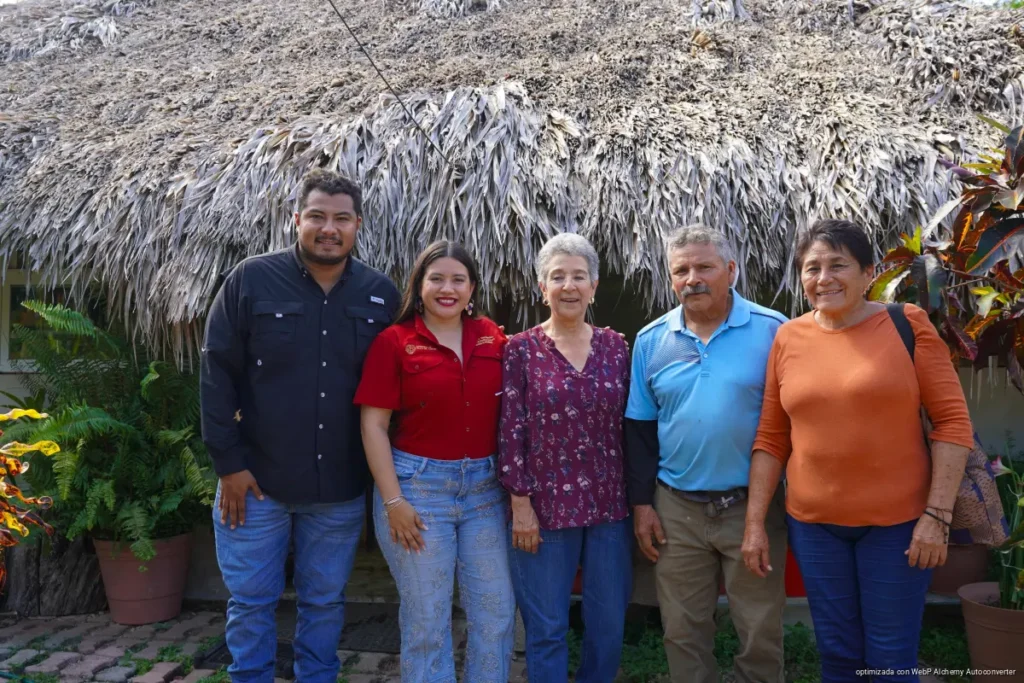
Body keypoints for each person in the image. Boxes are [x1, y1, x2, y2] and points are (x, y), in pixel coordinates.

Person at [743, 218, 974, 683]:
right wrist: (754, 525)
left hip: (898, 527)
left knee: (890, 657)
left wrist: (937, 517)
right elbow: (772, 437)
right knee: (838, 654)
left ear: (869, 273)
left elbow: (952, 423)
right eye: (811, 268)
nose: (823, 278)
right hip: (814, 528)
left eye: (837, 265)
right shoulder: (789, 338)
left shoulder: (905, 324)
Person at [200, 168, 400, 683]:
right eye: (316, 216)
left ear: (357, 224)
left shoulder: (381, 295)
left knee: (325, 602)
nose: (327, 228)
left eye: (340, 218)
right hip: (254, 485)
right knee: (250, 604)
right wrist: (228, 466)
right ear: (296, 220)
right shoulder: (250, 279)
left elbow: (404, 380)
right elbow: (216, 373)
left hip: (338, 488)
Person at [625, 224, 788, 683]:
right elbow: (639, 429)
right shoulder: (652, 340)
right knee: (682, 629)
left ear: (731, 270)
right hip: (676, 507)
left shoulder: (773, 330)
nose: (692, 278)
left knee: (759, 626)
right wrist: (642, 506)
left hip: (751, 506)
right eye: (681, 270)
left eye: (704, 267)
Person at [354, 240, 516, 683]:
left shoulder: (492, 337)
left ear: (472, 287)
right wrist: (393, 502)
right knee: (428, 620)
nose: (448, 289)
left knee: (496, 613)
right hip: (418, 492)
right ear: (419, 285)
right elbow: (373, 427)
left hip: (485, 493)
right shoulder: (395, 342)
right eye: (437, 279)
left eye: (458, 280)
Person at [497, 233, 632, 683]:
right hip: (544, 508)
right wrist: (520, 505)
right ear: (542, 287)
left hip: (609, 507)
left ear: (594, 286)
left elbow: (633, 426)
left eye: (579, 276)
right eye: (558, 277)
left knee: (608, 624)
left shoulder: (617, 347)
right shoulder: (520, 349)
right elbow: (510, 430)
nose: (569, 286)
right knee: (547, 627)